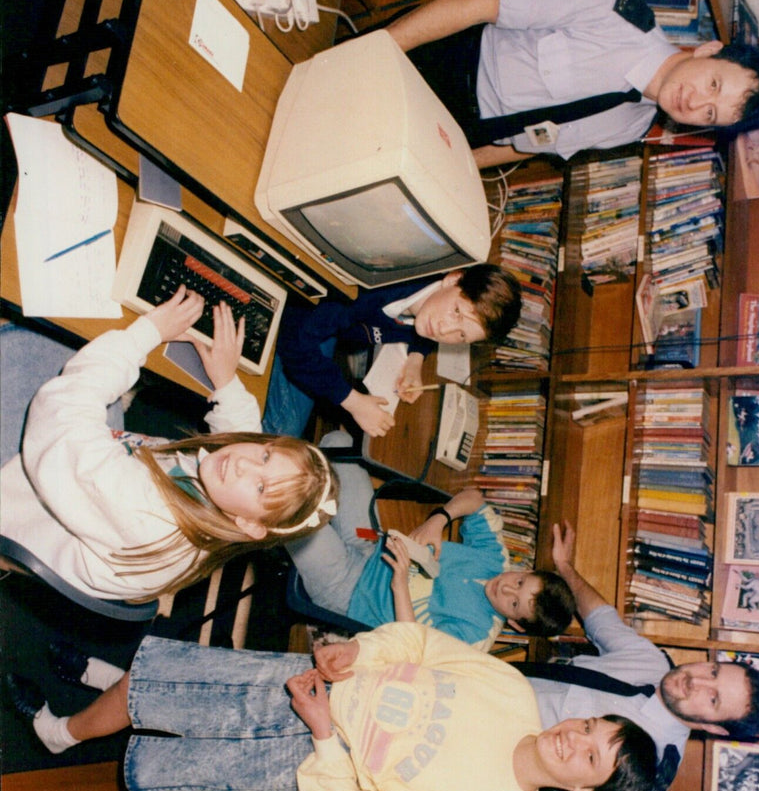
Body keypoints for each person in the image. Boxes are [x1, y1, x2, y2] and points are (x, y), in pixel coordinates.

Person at [6, 621, 656, 791]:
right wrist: (357, 651)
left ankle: (78, 713)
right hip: (303, 680)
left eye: (591, 756)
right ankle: (68, 722)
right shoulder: (513, 693)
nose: (576, 736)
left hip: (294, 754)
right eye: (592, 725)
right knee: (160, 684)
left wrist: (323, 738)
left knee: (156, 729)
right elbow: (420, 643)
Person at [0, 288, 337, 602]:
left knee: (43, 339)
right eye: (265, 455)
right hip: (96, 476)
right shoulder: (224, 512)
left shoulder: (147, 518)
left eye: (262, 487)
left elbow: (59, 417)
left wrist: (146, 334)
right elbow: (245, 433)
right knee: (99, 364)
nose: (243, 463)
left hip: (25, 484)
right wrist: (227, 381)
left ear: (251, 525)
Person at [512, 521, 759, 791]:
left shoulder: (648, 774)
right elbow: (599, 616)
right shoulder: (653, 660)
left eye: (714, 700)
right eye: (714, 672)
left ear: (716, 729)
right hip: (486, 682)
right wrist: (565, 568)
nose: (698, 682)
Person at [386, 0, 759, 169]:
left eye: (710, 113)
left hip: (456, 135)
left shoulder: (631, 128)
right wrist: (377, 53)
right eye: (712, 85)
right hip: (439, 63)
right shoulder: (608, 2)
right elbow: (475, 0)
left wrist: (457, 167)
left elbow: (530, 145)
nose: (694, 105)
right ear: (708, 51)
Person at [286, 441, 575, 649]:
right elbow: (475, 498)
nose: (507, 587)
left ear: (515, 624)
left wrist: (400, 583)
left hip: (350, 591)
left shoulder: (475, 634)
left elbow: (413, 647)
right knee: (338, 444)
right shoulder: (495, 559)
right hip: (370, 544)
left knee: (295, 508)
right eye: (521, 581)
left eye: (514, 603)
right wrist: (440, 519)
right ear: (527, 569)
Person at [262, 263, 521, 439]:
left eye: (462, 335)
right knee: (281, 434)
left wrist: (415, 360)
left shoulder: (430, 313)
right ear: (453, 278)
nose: (445, 330)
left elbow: (428, 334)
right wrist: (353, 402)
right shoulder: (370, 293)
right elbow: (296, 343)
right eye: (456, 312)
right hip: (299, 314)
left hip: (328, 327)